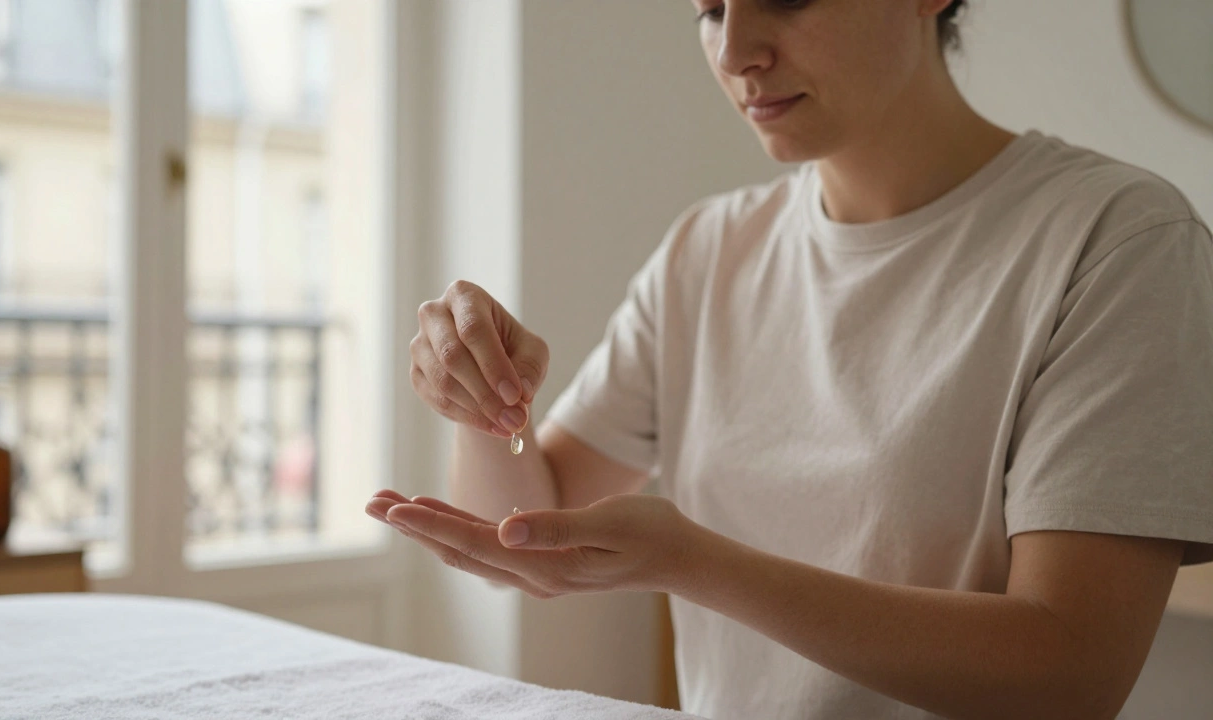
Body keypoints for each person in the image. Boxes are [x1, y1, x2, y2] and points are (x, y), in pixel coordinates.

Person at [366, 0, 1213, 717]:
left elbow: (1071, 671)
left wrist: (697, 564)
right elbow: (527, 536)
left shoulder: (1116, 240)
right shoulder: (709, 250)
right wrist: (484, 402)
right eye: (707, 8)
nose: (735, 50)